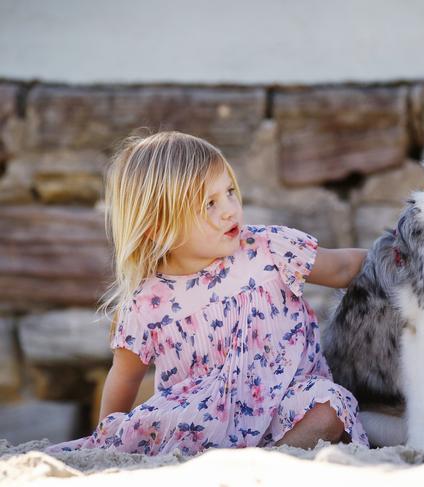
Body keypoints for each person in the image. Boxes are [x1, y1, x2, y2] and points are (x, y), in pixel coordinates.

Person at [45, 131, 368, 456]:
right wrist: (106, 436)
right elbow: (125, 377)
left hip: (286, 399)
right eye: (209, 204)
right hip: (201, 420)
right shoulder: (149, 303)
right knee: (148, 431)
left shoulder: (267, 250)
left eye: (229, 192)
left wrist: (401, 253)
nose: (229, 210)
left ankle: (268, 463)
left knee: (330, 406)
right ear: (159, 227)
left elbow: (341, 268)